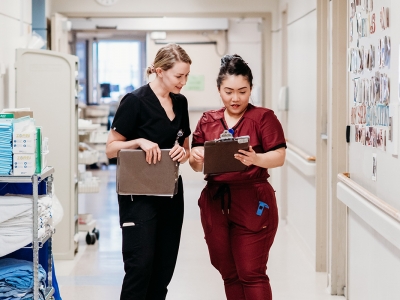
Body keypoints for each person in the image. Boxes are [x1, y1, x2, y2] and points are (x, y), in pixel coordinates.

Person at [189, 54, 286, 300]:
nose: (235, 98)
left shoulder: (263, 118)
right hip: (215, 201)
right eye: (229, 91)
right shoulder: (208, 120)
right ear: (219, 89)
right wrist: (196, 156)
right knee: (229, 272)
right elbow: (194, 163)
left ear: (251, 89)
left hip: (252, 200)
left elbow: (279, 156)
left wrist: (256, 159)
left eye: (242, 91)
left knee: (251, 272)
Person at [106, 44, 192, 300]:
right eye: (179, 76)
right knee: (139, 267)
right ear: (159, 71)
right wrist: (137, 141)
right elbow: (110, 149)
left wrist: (182, 153)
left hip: (171, 195)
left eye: (186, 76)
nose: (183, 82)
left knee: (163, 271)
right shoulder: (134, 101)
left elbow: (186, 148)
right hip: (138, 197)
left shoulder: (181, 102)